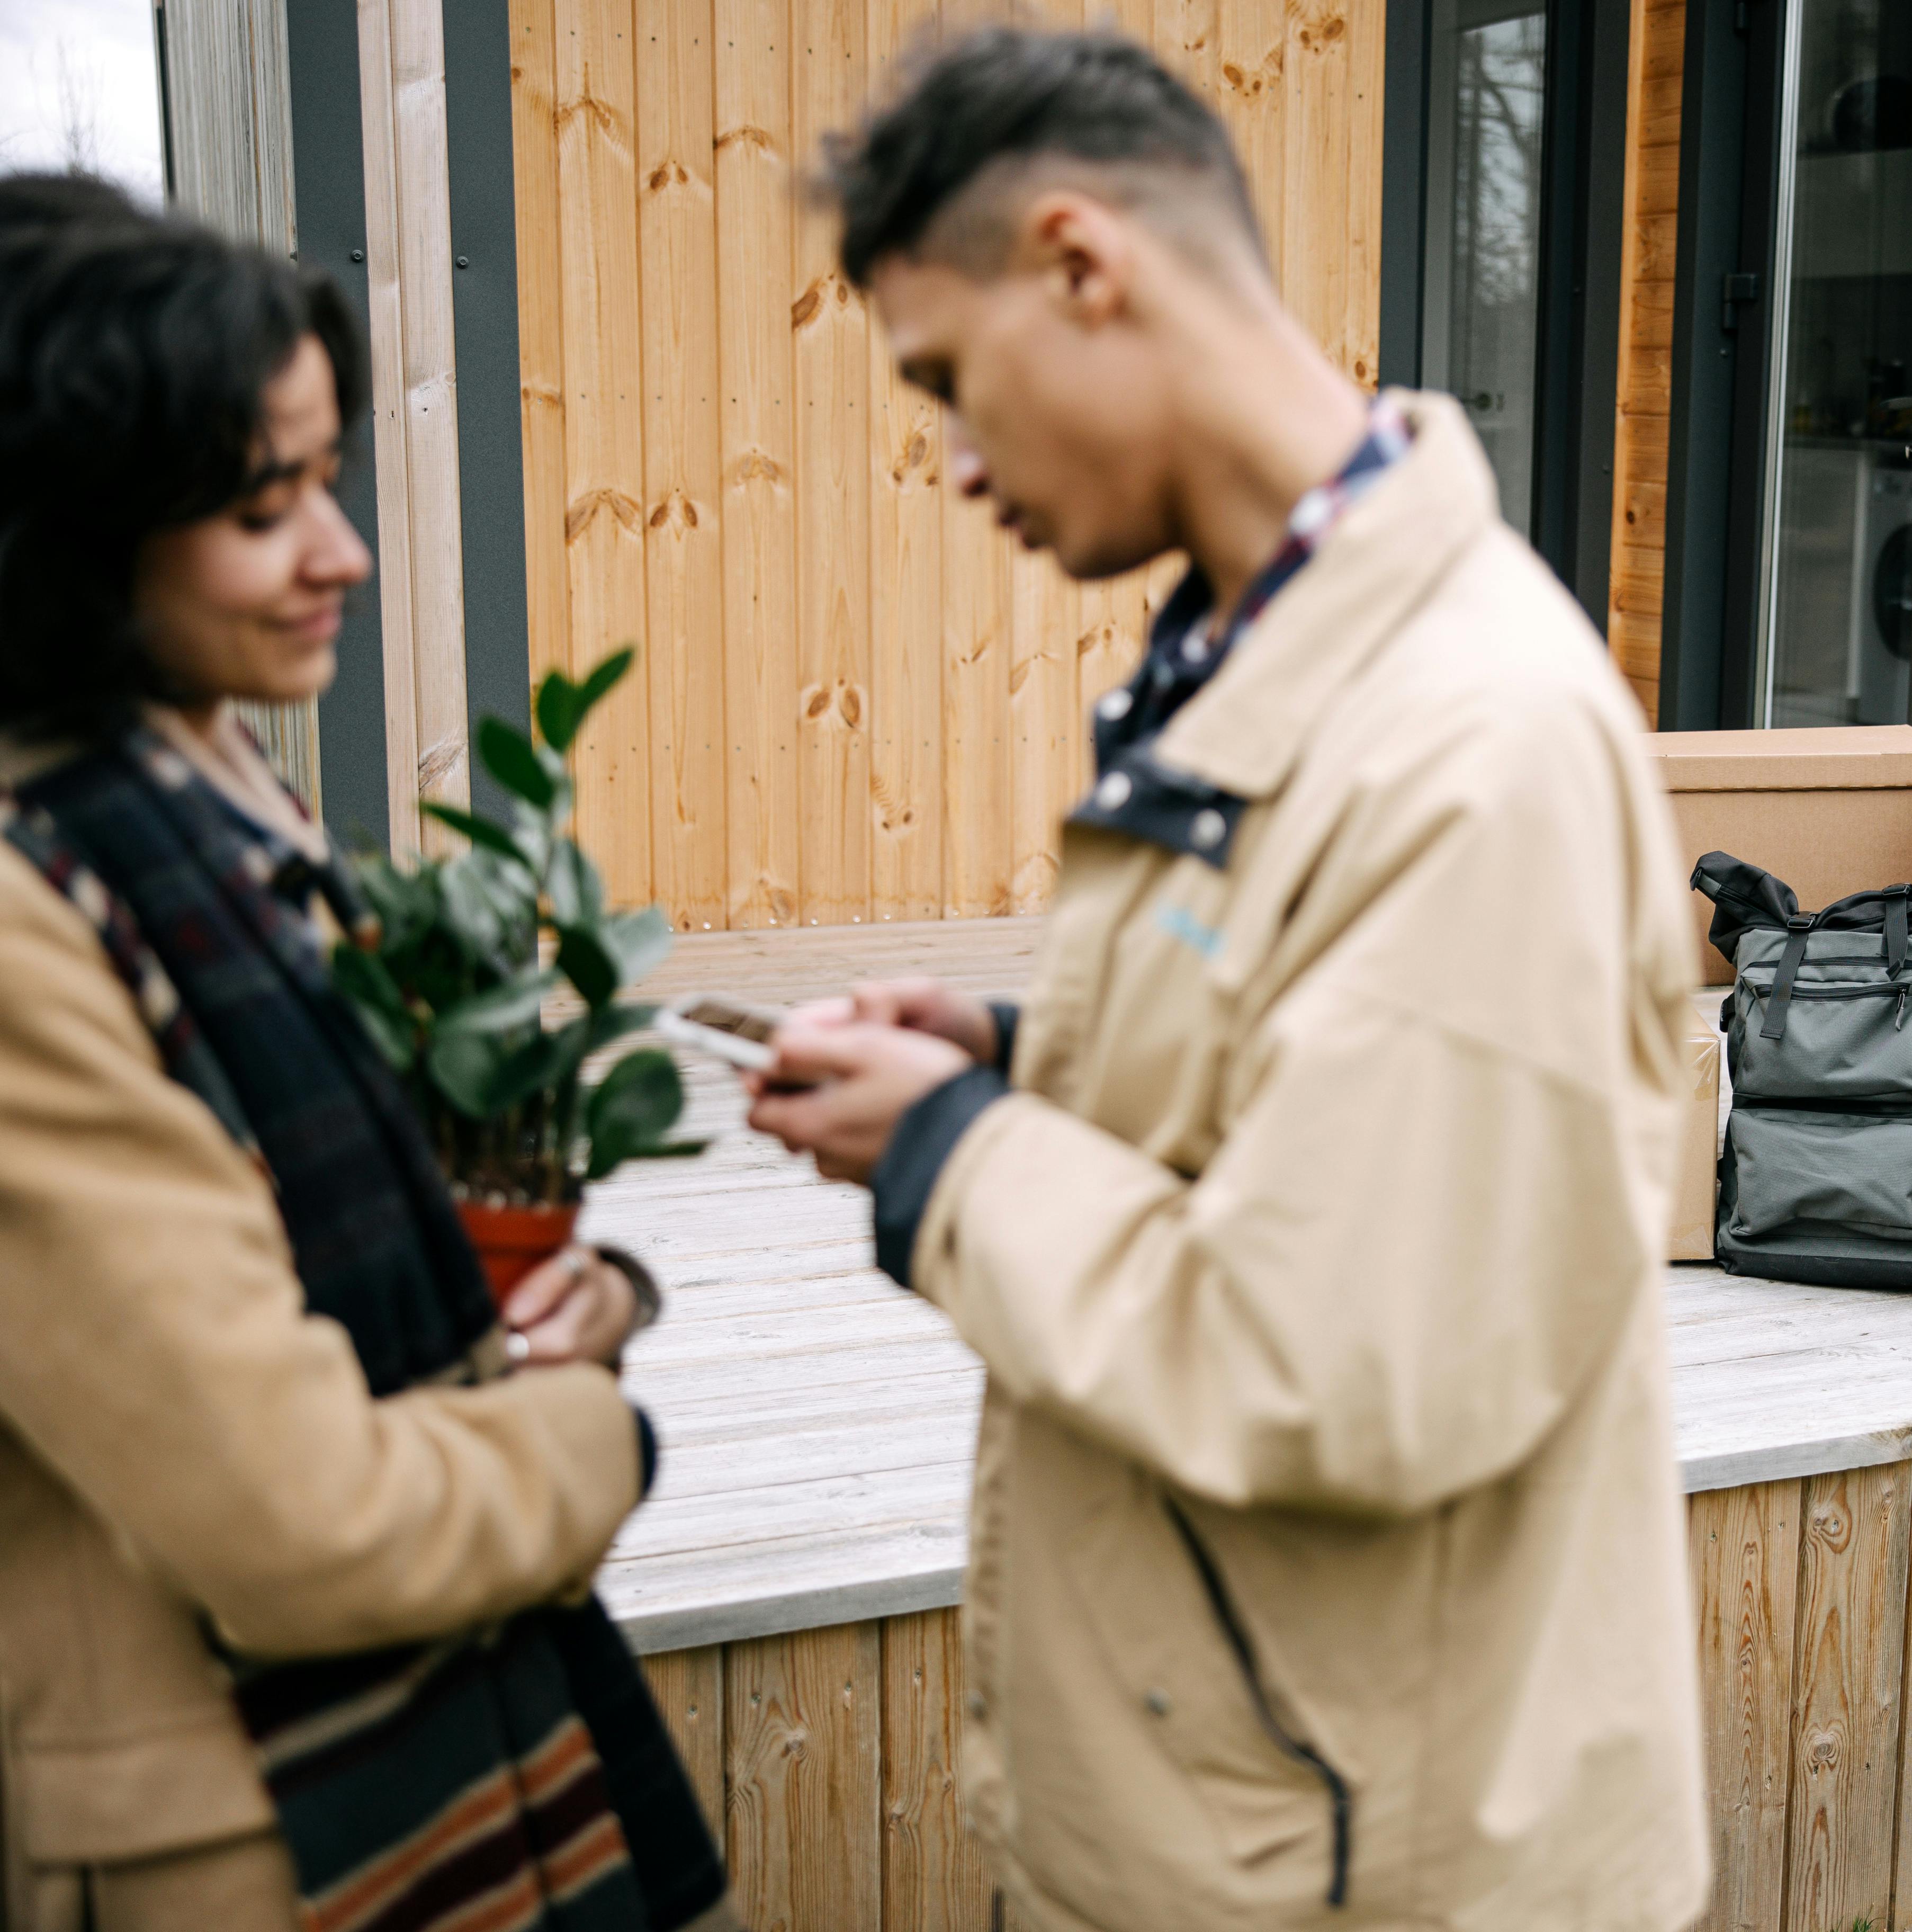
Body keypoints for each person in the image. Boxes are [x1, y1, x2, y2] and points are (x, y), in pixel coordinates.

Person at [746, 29, 1708, 1932]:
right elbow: (1324, 1081)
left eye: (945, 378)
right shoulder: (1270, 655)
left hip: (1381, 1865)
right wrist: (1022, 1058)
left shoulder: (1470, 741)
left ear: (1084, 266)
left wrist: (953, 1153)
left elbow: (1337, 1361)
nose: (947, 462)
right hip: (1266, 1798)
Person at [0, 177, 731, 1932]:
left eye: (327, 479)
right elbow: (300, 1517)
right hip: (266, 1829)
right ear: (71, 534)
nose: (345, 552)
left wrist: (590, 1296)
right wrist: (590, 1443)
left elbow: (369, 1217)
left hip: (444, 1721)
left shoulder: (205, 789)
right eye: (268, 507)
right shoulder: (32, 911)